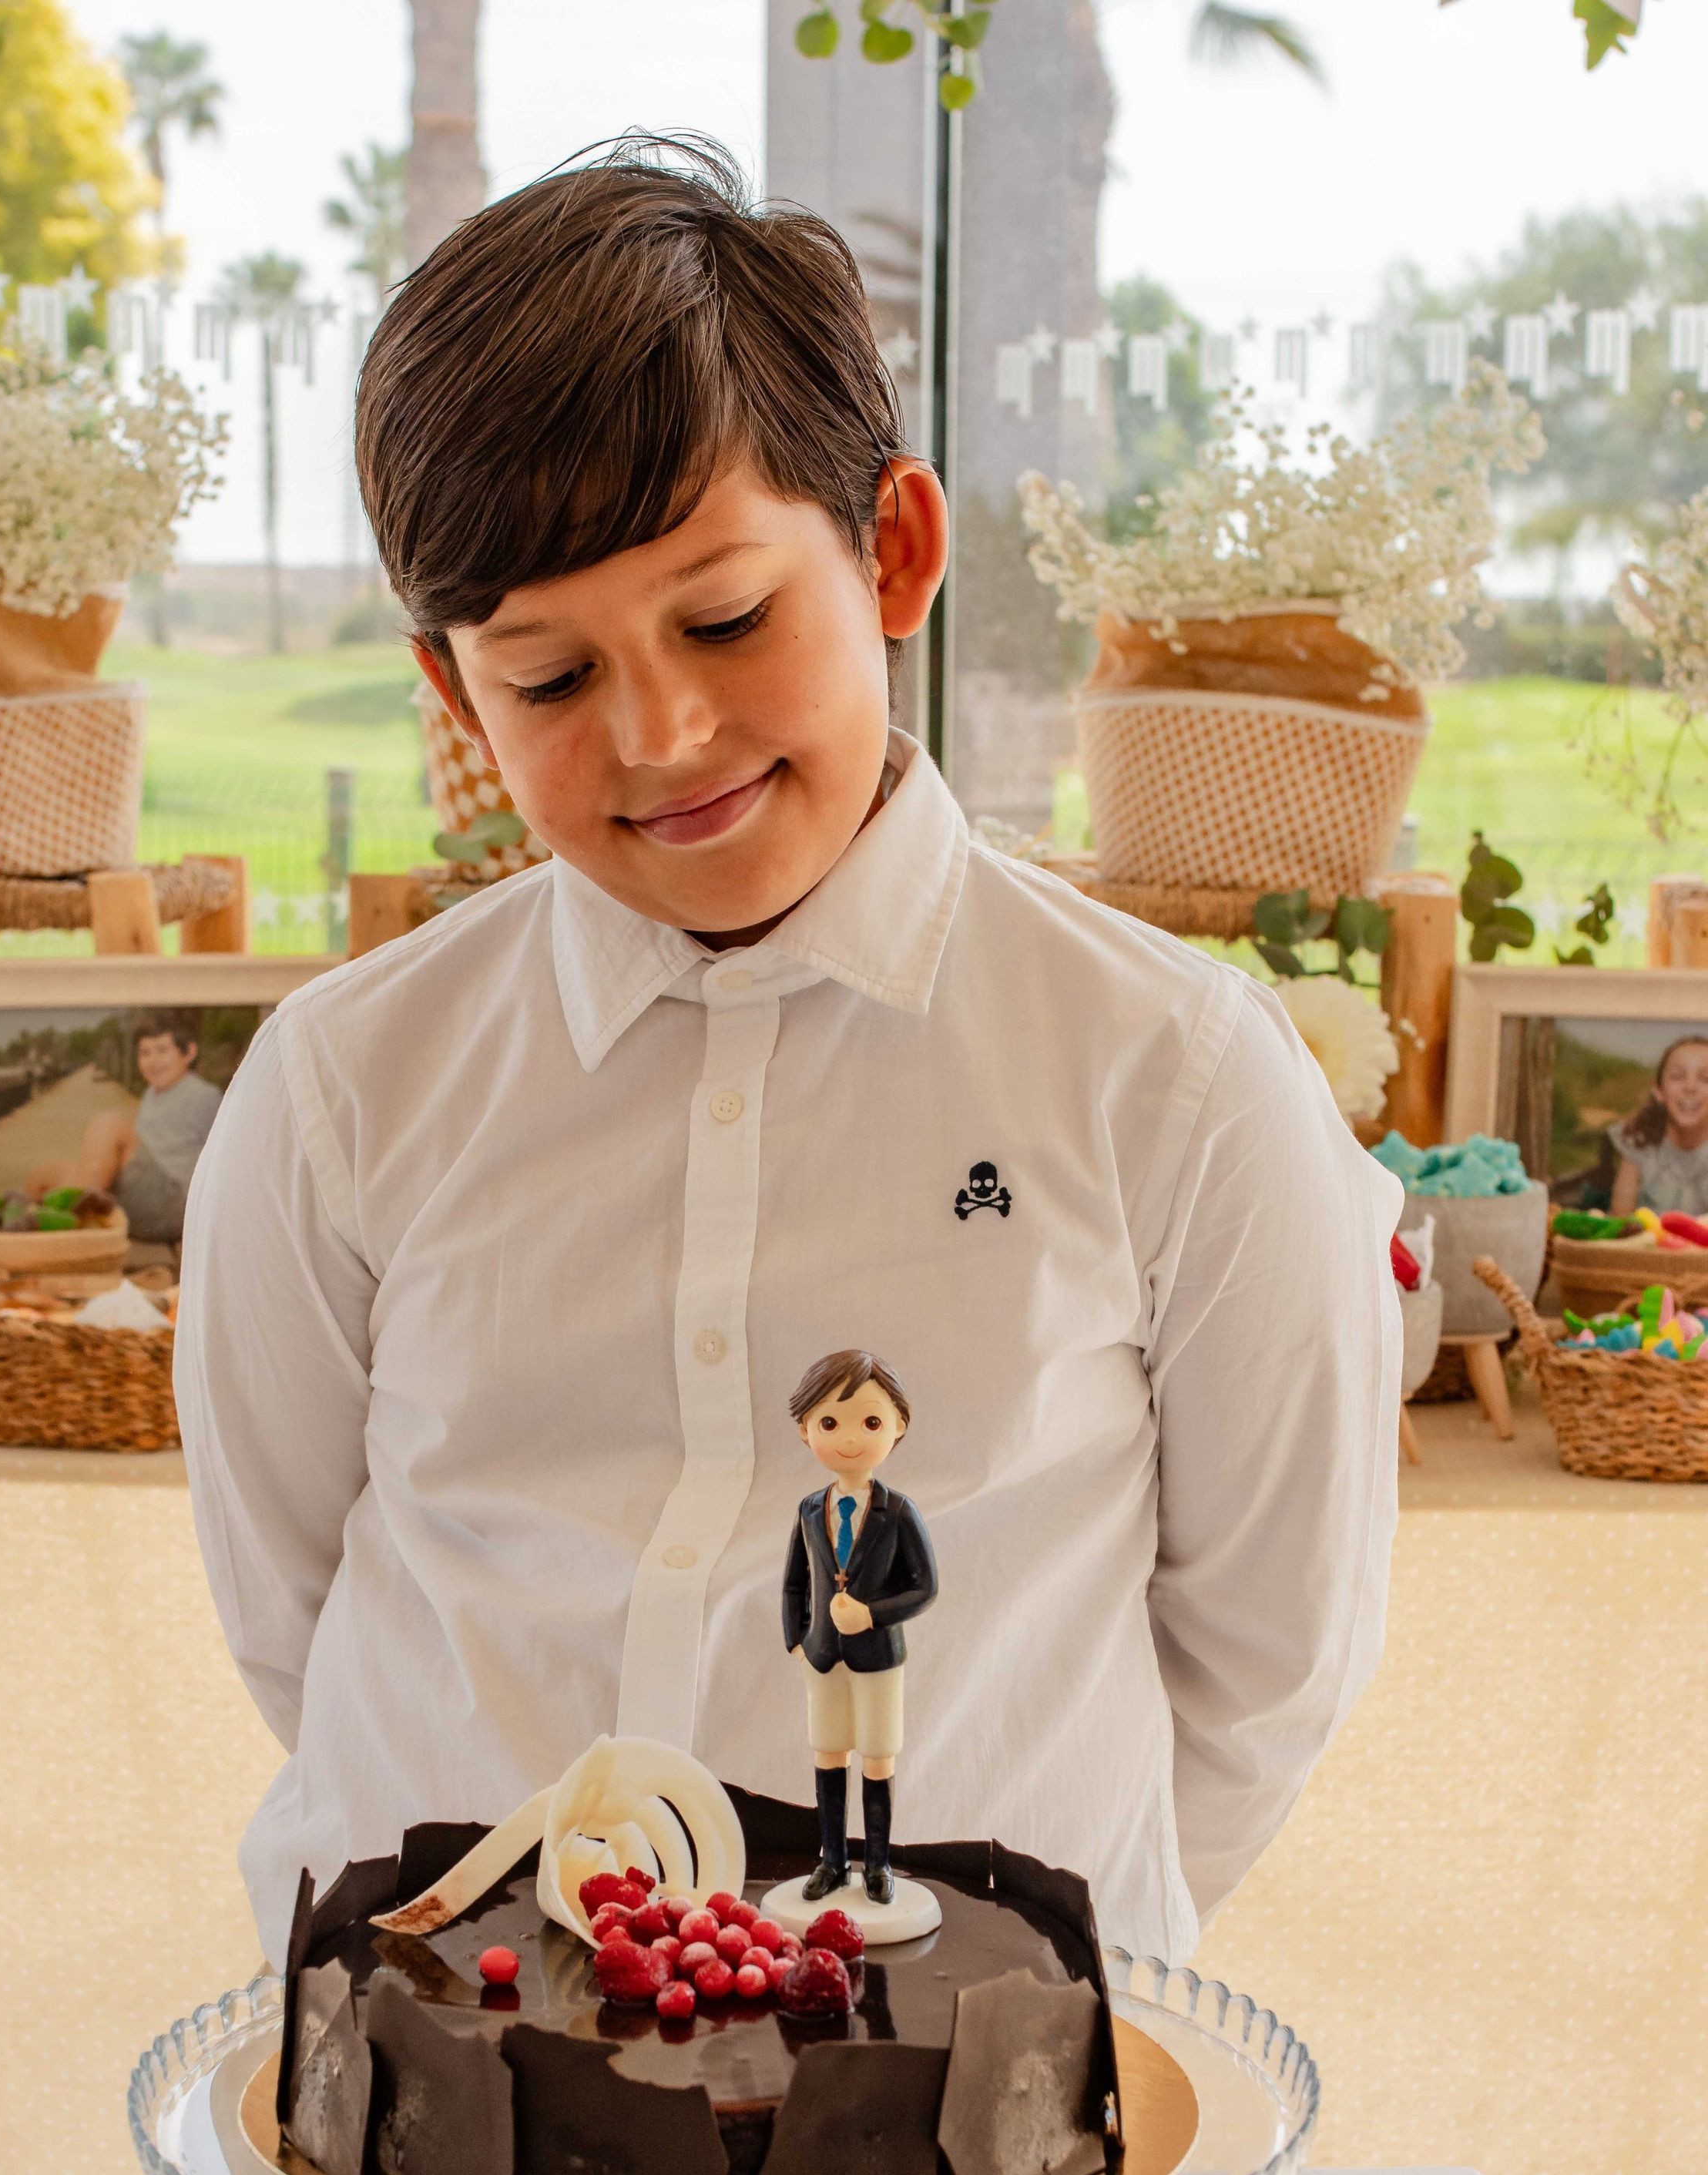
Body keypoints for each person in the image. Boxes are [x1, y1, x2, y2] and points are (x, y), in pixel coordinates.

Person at [176, 139, 1402, 1979]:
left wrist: (986, 2010)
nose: (660, 731)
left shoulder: (1174, 1074)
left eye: (724, 618)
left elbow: (1265, 1658)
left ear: (891, 549)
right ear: (451, 694)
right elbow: (290, 1605)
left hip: (961, 2139)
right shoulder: (345, 1083)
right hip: (436, 2098)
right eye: (546, 676)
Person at [782, 1351, 936, 1906]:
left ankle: (877, 1864)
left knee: (877, 1756)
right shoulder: (808, 1510)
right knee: (827, 1753)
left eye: (870, 1422)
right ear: (806, 1431)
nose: (849, 1438)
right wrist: (797, 1640)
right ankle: (831, 1861)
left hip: (877, 1658)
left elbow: (925, 1587)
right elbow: (794, 1583)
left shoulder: (898, 1512)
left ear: (898, 1426)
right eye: (829, 1422)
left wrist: (871, 1615)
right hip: (823, 1657)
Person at [32, 1010, 221, 1246]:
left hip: (176, 1202)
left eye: (163, 1051)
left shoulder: (205, 1096)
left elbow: (230, 1164)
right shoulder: (152, 1095)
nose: (153, 1061)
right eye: (145, 1053)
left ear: (189, 1052)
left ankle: (77, 1239)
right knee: (46, 1175)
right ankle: (31, 1244)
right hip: (143, 1195)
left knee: (109, 1125)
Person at [1608, 1033, 1708, 1219]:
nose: (1690, 1087)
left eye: (1705, 1079)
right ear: (1659, 1091)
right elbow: (1619, 1222)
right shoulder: (1639, 1144)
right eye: (1678, 1077)